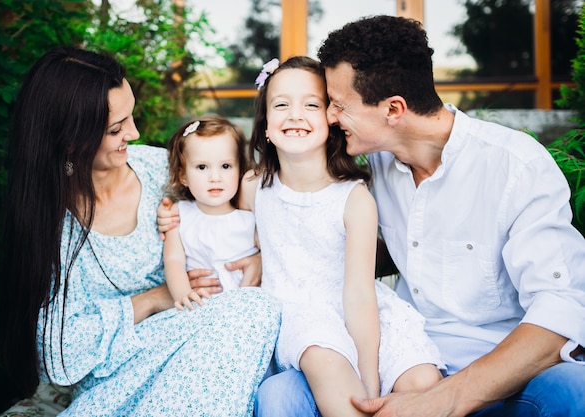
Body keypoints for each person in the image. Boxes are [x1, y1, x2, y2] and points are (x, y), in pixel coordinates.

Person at [257, 15, 585, 417]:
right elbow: (313, 229)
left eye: (338, 106)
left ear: (394, 109)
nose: (329, 117)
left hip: (502, 371)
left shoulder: (515, 165)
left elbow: (562, 307)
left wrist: (445, 399)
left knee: (577, 390)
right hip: (407, 354)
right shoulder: (368, 164)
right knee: (280, 395)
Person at [0, 46, 280, 416]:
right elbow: (61, 351)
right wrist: (153, 298)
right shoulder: (51, 226)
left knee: (255, 308)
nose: (134, 132)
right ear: (71, 140)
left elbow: (245, 210)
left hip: (196, 345)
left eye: (130, 116)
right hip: (115, 377)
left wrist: (259, 253)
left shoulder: (160, 170)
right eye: (117, 128)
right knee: (250, 311)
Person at [242, 55, 444, 417]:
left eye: (311, 104)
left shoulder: (353, 198)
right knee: (326, 362)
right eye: (281, 104)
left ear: (331, 120)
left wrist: (370, 379)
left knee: (422, 382)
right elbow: (226, 227)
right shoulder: (253, 187)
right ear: (266, 126)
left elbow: (360, 295)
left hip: (364, 313)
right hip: (300, 316)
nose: (295, 114)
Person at [163, 116, 259, 310]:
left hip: (247, 307)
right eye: (202, 167)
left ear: (240, 170)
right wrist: (183, 294)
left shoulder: (250, 217)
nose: (215, 177)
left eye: (226, 166)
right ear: (183, 176)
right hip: (202, 305)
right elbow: (173, 260)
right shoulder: (180, 214)